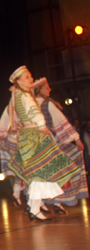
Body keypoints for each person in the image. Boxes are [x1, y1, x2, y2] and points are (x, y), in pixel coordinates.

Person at [5, 67, 81, 222]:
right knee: (40, 173)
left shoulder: (17, 96)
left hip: (28, 135)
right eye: (27, 77)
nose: (30, 79)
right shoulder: (25, 96)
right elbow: (34, 112)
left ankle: (34, 209)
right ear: (18, 81)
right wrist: (41, 125)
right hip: (34, 135)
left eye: (30, 76)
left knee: (37, 174)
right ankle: (34, 210)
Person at [32, 78, 88, 212]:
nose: (49, 90)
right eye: (47, 87)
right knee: (60, 171)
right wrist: (76, 139)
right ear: (40, 89)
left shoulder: (30, 106)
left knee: (41, 174)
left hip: (35, 145)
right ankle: (56, 204)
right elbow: (61, 122)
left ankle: (40, 204)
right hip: (50, 143)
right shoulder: (47, 104)